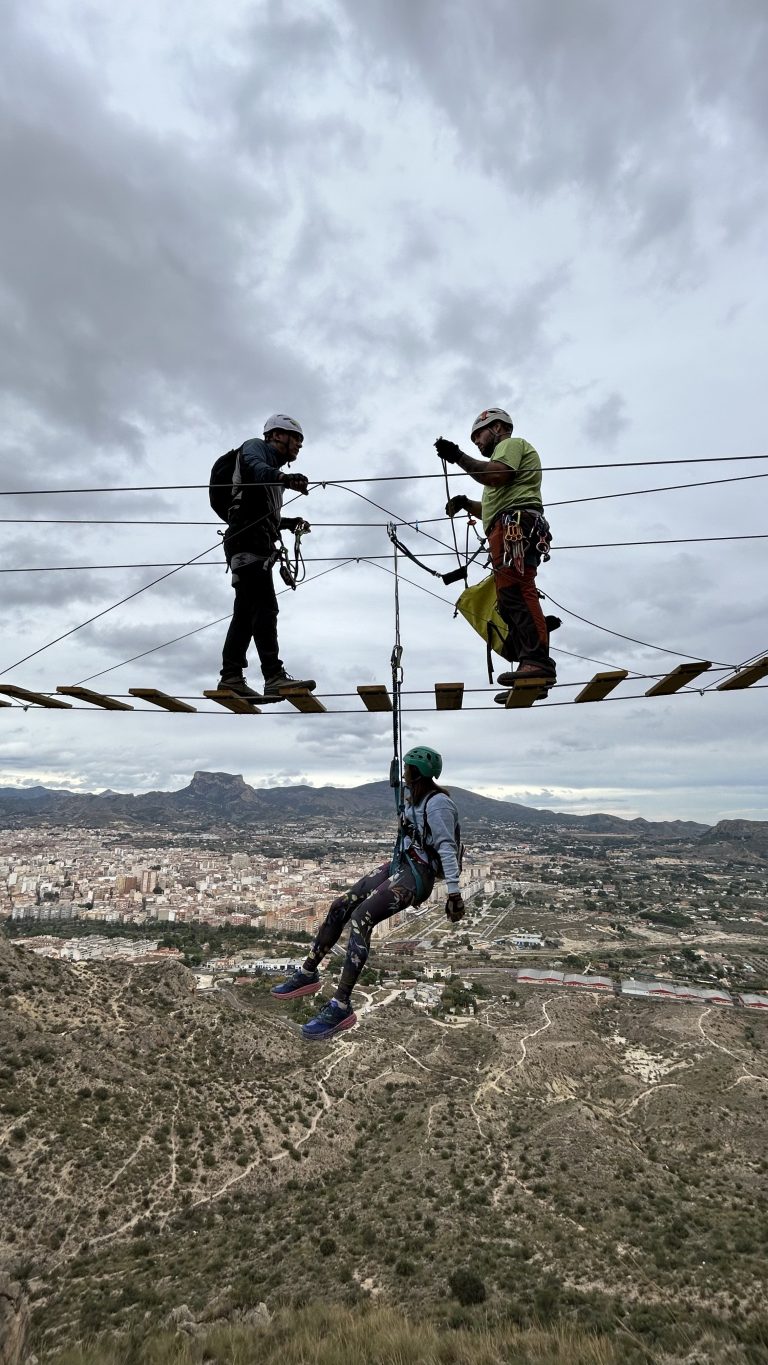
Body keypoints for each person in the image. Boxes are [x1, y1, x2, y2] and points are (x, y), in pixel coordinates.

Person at [270, 746, 465, 1040]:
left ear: (417, 772)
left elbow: (447, 848)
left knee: (361, 918)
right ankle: (308, 972)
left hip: (418, 875)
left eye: (407, 768)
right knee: (341, 904)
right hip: (405, 862)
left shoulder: (438, 805)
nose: (404, 773)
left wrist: (454, 894)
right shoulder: (416, 800)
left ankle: (341, 1004)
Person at [436, 408, 557, 700]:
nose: (477, 441)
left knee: (516, 590)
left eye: (479, 434)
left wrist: (458, 457)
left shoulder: (510, 447)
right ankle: (532, 671)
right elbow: (491, 505)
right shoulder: (499, 465)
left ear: (499, 427)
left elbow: (496, 476)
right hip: (505, 525)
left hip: (515, 526)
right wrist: (466, 503)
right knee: (509, 597)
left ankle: (538, 663)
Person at [217, 414, 316, 701]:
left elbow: (265, 513)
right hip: (247, 539)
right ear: (276, 435)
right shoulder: (255, 448)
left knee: (246, 612)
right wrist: (283, 478)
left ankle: (231, 676)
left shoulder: (273, 478)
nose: (298, 445)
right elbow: (256, 468)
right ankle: (273, 675)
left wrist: (288, 522)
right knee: (264, 606)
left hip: (253, 539)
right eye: (294, 438)